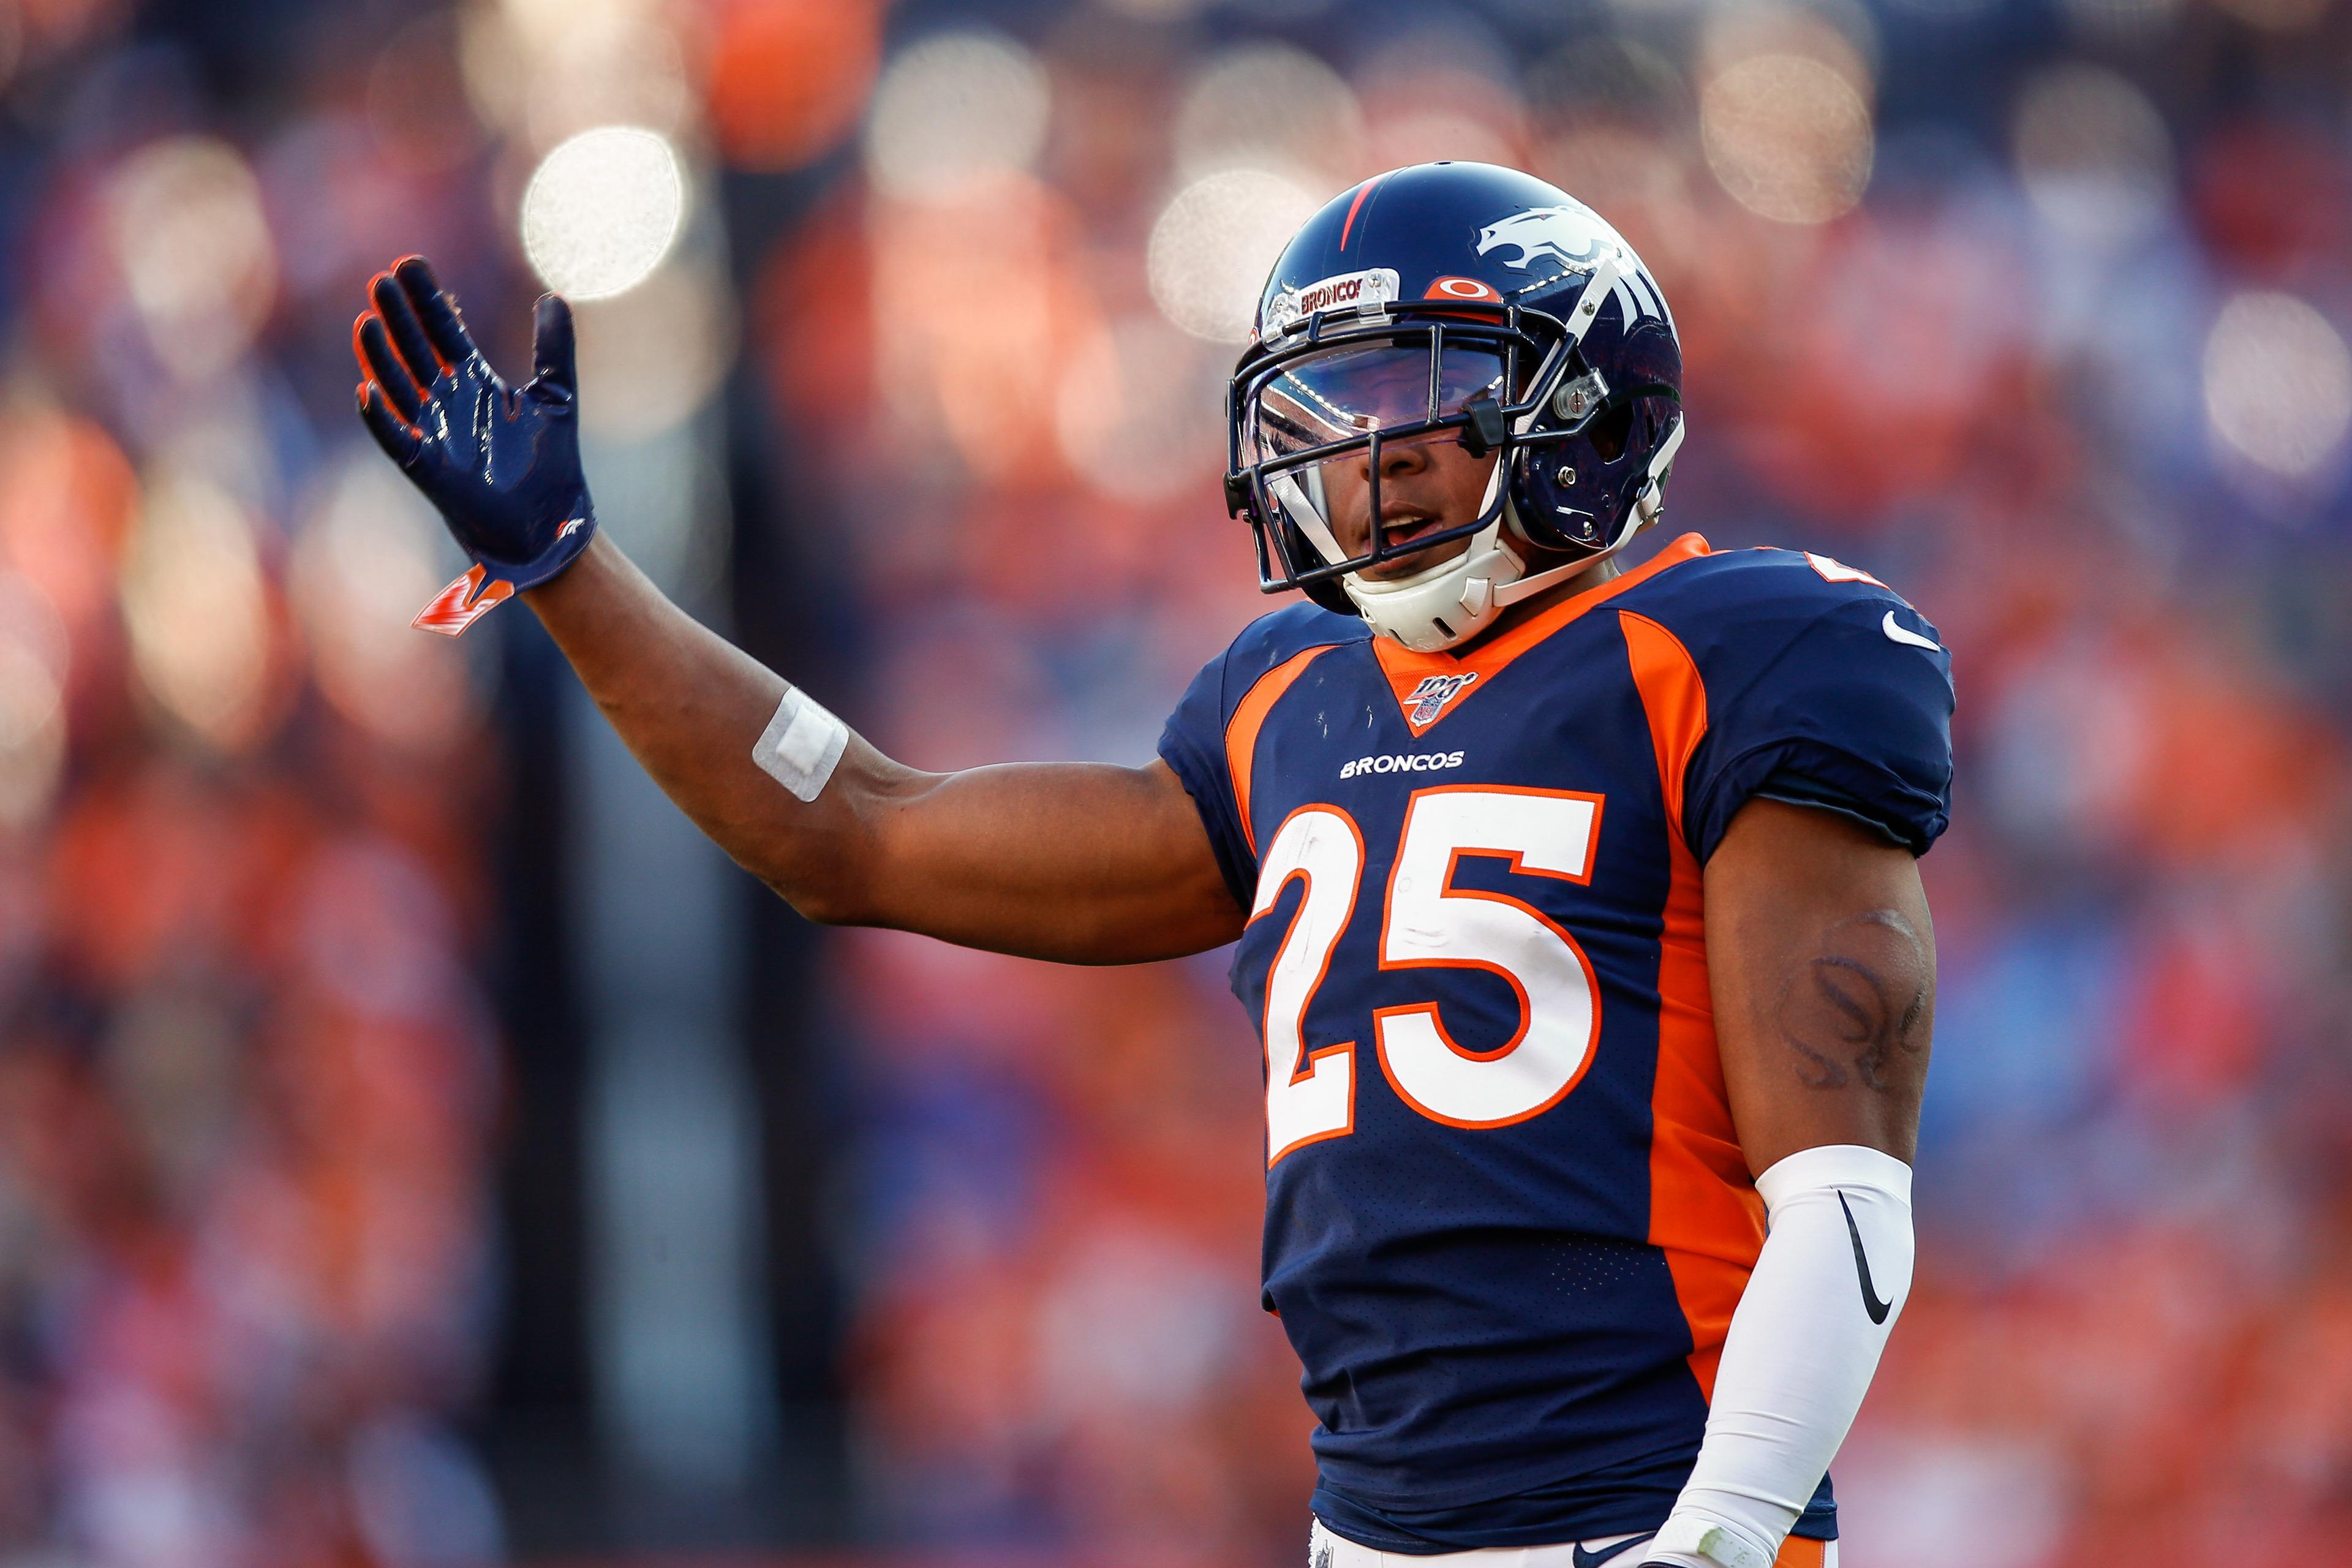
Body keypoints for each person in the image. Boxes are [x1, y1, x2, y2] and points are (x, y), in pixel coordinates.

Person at [352, 160, 1952, 1568]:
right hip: (1373, 1528)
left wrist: (1729, 1532)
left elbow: (1840, 1185)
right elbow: (853, 832)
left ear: (1587, 412)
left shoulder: (1743, 646)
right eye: (1334, 414)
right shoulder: (1282, 699)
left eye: (1422, 399)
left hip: (1643, 1512)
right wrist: (570, 573)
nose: (1371, 458)